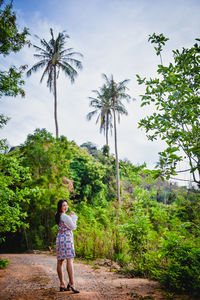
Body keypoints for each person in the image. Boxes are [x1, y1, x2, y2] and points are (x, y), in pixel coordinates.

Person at [55, 199, 80, 293]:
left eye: (66, 205)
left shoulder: (58, 215)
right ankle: (72, 284)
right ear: (60, 207)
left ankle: (62, 284)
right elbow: (73, 227)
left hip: (60, 239)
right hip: (67, 240)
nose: (66, 207)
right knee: (69, 260)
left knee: (60, 261)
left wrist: (69, 217)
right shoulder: (65, 217)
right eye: (63, 206)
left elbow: (65, 223)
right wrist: (73, 217)